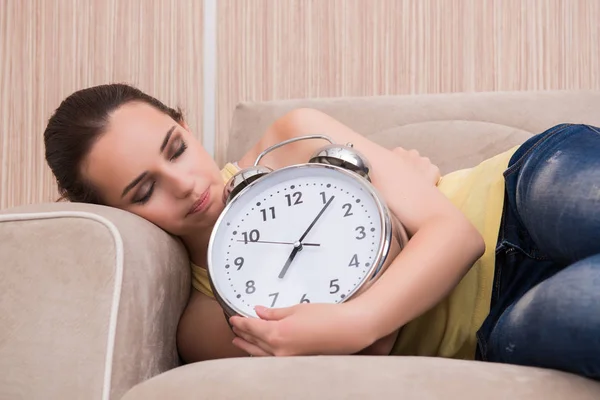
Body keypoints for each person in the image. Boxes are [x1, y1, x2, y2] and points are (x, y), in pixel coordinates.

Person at [43, 83, 599, 380]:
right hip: (497, 324)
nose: (186, 185)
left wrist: (354, 318)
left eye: (177, 149)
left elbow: (457, 237)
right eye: (144, 192)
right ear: (115, 212)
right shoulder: (208, 320)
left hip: (517, 193)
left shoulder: (294, 139)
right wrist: (401, 194)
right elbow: (370, 352)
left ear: (185, 126)